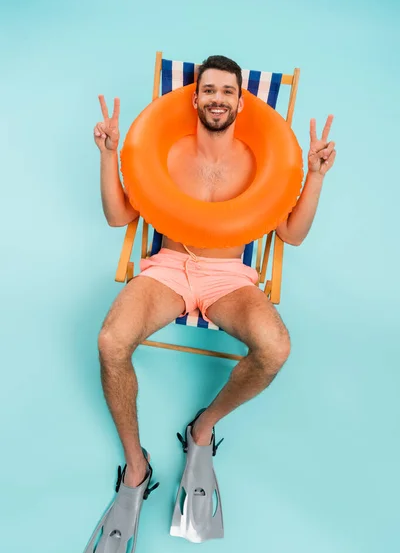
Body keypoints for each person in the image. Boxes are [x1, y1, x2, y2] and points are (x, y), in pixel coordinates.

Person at [93, 55, 335, 488]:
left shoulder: (260, 161)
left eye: (227, 91)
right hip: (169, 269)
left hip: (229, 278)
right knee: (111, 342)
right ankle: (136, 464)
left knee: (276, 349)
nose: (217, 99)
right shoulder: (167, 151)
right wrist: (110, 155)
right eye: (209, 90)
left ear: (241, 102)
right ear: (195, 98)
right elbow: (117, 217)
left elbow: (291, 236)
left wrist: (314, 176)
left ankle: (203, 427)